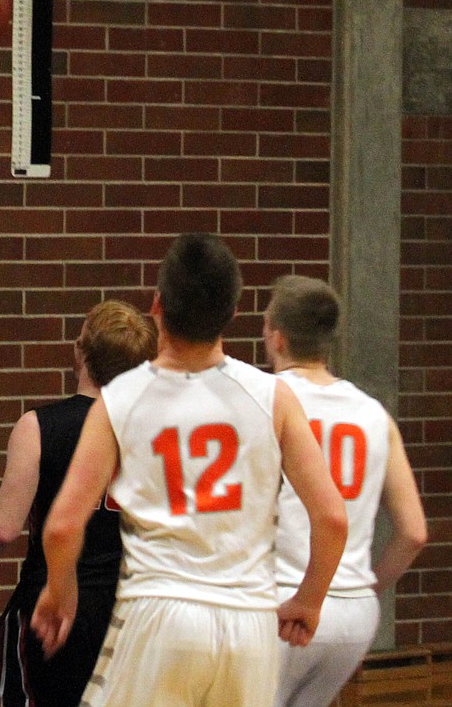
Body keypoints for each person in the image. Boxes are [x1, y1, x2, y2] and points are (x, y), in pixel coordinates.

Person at [31, 232, 349, 707]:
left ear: (157, 306)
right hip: (250, 627)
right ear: (233, 315)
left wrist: (58, 591)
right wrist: (310, 599)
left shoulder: (122, 398)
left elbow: (61, 527)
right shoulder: (274, 397)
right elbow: (332, 517)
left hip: (161, 613)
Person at [0, 301, 158, 707]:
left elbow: (4, 529)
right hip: (129, 613)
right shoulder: (153, 432)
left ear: (80, 352)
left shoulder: (39, 427)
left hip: (55, 608)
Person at [264, 274, 427, 707]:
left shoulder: (267, 400)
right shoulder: (374, 414)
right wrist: (367, 590)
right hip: (353, 613)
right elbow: (413, 533)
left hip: (284, 599)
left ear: (276, 338)